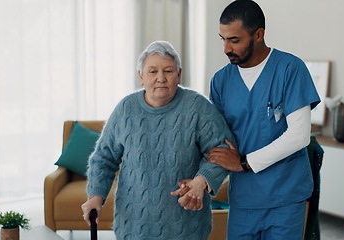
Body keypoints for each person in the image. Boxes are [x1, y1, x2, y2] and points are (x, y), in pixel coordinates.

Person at [81, 40, 234, 240]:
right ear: (141, 77)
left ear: (179, 75)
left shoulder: (197, 107)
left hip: (186, 228)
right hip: (133, 226)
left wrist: (201, 180)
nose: (161, 78)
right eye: (153, 72)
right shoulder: (125, 109)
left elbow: (223, 148)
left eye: (168, 71)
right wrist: (95, 197)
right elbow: (103, 158)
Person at [207, 1, 321, 239]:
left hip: (285, 198)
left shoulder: (290, 69)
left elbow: (299, 136)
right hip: (244, 199)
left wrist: (245, 163)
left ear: (259, 35)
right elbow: (217, 141)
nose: (226, 48)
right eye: (223, 39)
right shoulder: (221, 81)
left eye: (234, 40)